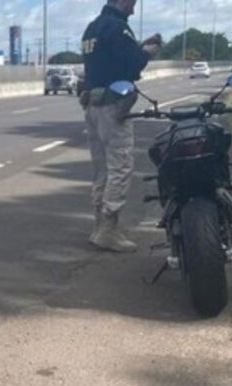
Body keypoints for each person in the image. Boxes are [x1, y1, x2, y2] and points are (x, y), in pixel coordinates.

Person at [80, 0, 161, 252]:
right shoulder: (118, 28)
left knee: (101, 169)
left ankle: (98, 226)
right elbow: (130, 64)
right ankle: (109, 229)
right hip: (114, 106)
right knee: (120, 166)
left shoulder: (92, 29)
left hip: (92, 104)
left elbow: (107, 62)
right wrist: (148, 51)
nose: (134, 8)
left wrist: (136, 48)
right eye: (133, 3)